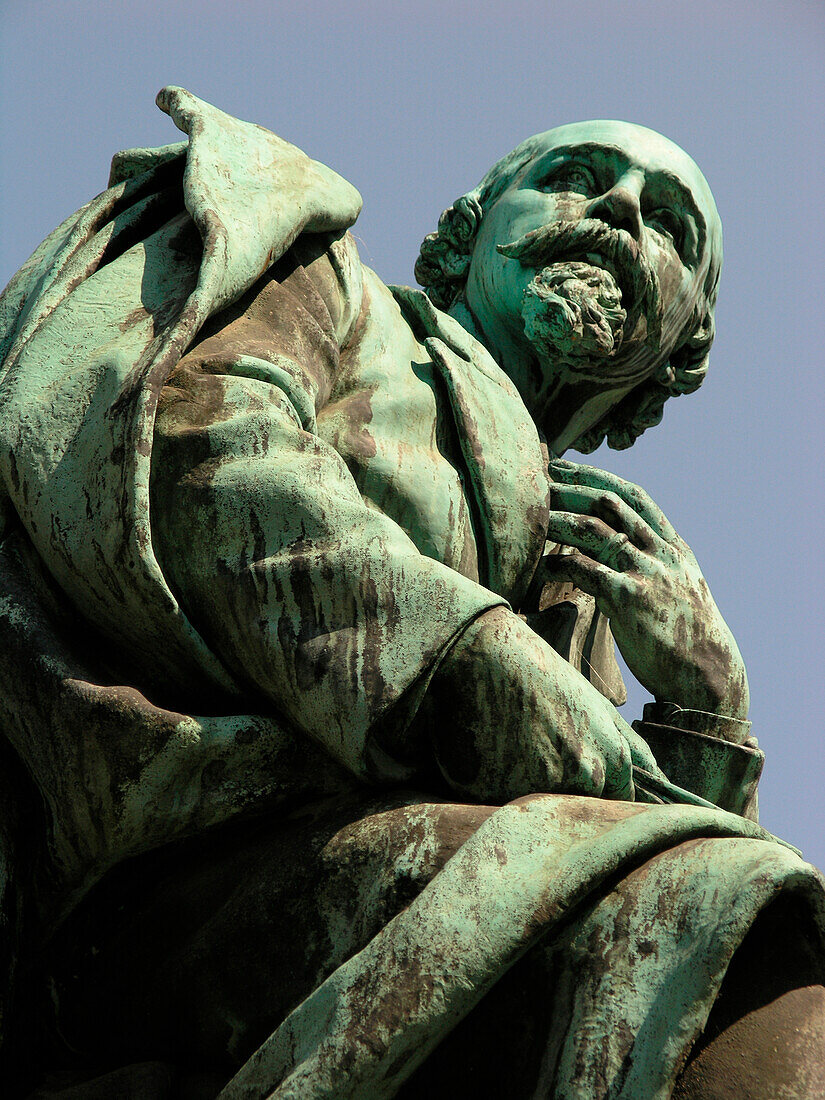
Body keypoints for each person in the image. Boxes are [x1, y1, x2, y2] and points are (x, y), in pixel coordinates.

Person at [0, 87, 822, 1098]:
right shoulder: (318, 278)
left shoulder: (584, 571)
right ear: (472, 229)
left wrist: (705, 704)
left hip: (403, 875)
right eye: (575, 179)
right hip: (171, 874)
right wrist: (465, 654)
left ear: (678, 340)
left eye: (670, 225)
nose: (621, 212)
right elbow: (196, 438)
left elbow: (622, 815)